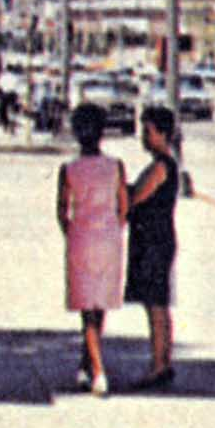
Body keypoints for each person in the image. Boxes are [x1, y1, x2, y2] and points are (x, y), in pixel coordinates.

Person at [56, 102, 127, 395]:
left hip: (81, 239)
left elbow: (62, 211)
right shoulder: (116, 167)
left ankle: (98, 372)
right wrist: (114, 227)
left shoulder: (69, 169)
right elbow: (123, 206)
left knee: (87, 308)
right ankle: (86, 365)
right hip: (109, 238)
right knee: (100, 305)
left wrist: (72, 232)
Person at [125, 103, 183, 387]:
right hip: (156, 239)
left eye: (148, 131)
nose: (143, 137)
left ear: (162, 133)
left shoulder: (161, 166)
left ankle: (159, 364)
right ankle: (162, 361)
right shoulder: (165, 164)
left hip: (154, 241)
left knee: (156, 304)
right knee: (156, 303)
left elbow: (136, 196)